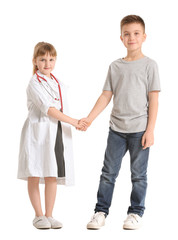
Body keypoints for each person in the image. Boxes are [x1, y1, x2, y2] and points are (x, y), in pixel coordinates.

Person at [79, 15, 161, 230]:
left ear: (144, 37)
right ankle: (100, 211)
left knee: (138, 175)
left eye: (136, 33)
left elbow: (154, 99)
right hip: (116, 129)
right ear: (121, 38)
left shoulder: (150, 65)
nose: (131, 37)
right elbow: (106, 96)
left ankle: (135, 213)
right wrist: (89, 118)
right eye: (127, 34)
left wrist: (150, 130)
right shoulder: (115, 66)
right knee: (108, 173)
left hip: (139, 129)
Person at [17, 42, 86, 229]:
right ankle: (38, 216)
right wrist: (74, 121)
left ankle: (49, 215)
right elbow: (48, 108)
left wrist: (73, 122)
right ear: (35, 61)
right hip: (37, 134)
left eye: (51, 59)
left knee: (51, 174)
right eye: (42, 59)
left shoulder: (56, 81)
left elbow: (60, 106)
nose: (47, 63)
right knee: (34, 172)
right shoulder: (34, 83)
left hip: (55, 133)